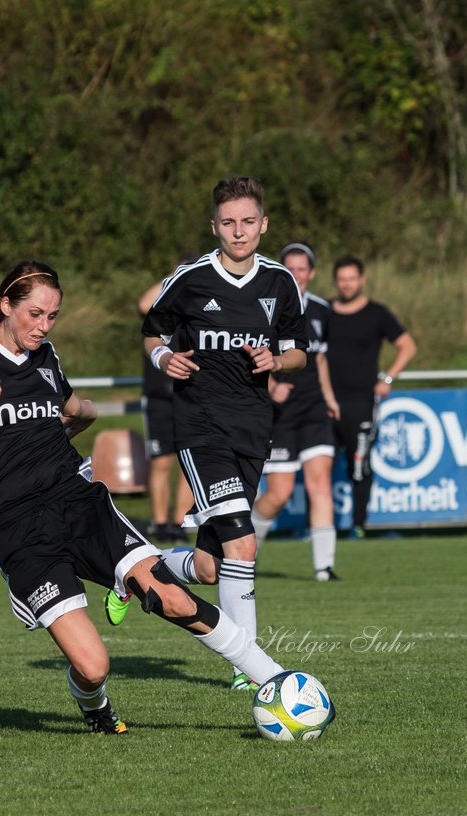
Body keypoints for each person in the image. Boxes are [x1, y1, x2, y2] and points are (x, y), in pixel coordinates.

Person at [0, 260, 290, 734]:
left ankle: (277, 681)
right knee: (94, 666)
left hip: (78, 503)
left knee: (172, 600)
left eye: (52, 315)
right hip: (22, 528)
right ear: (6, 305)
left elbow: (71, 406)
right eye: (34, 314)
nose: (43, 326)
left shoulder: (46, 356)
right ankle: (93, 703)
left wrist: (87, 415)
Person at [134, 176, 308, 691]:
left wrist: (275, 358)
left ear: (264, 224)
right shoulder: (191, 278)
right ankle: (251, 670)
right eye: (228, 223)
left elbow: (299, 352)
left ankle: (138, 569)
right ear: (215, 226)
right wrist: (165, 357)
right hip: (200, 425)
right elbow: (151, 331)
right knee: (244, 544)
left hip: (253, 428)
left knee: (212, 566)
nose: (239, 231)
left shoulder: (280, 282)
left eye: (248, 222)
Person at [250, 242, 343, 581]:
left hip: (314, 409)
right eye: (290, 268)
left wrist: (330, 399)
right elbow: (250, 354)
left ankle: (324, 567)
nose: (296, 275)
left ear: (312, 272)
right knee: (278, 494)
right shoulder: (265, 307)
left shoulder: (321, 310)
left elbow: (320, 359)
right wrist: (273, 387)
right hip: (281, 414)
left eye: (302, 269)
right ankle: (248, 552)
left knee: (320, 483)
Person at [326, 255, 418, 538]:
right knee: (319, 469)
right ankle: (319, 527)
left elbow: (407, 346)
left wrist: (387, 378)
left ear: (362, 279)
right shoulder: (324, 311)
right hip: (326, 403)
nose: (347, 284)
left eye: (352, 278)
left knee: (359, 465)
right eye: (342, 279)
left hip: (361, 403)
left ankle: (359, 524)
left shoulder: (377, 313)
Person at [138, 253, 196, 543]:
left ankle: (179, 522)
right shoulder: (161, 304)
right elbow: (142, 304)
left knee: (188, 463)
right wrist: (171, 279)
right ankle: (160, 524)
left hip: (189, 395)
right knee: (161, 461)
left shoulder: (197, 306)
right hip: (159, 397)